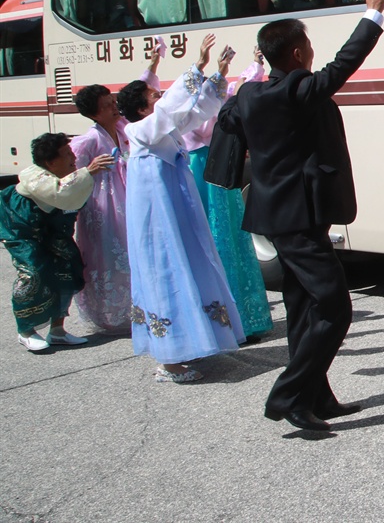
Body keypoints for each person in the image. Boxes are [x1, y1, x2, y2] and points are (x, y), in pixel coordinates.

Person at [218, 0, 384, 432]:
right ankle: (289, 394)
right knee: (335, 307)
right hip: (297, 218)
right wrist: (371, 14)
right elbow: (342, 65)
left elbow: (229, 117)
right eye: (308, 45)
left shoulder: (253, 93)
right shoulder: (296, 91)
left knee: (301, 309)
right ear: (297, 54)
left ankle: (316, 397)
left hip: (278, 214)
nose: (313, 52)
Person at [119, 35, 245, 383]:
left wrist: (216, 76)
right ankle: (168, 360)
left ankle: (187, 343)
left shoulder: (159, 128)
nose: (159, 99)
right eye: (152, 96)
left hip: (175, 212)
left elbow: (194, 112)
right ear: (143, 108)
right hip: (157, 220)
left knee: (189, 262)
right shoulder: (140, 130)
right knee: (164, 268)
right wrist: (197, 68)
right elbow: (170, 109)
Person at [69, 49, 162, 333]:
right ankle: (110, 313)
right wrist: (90, 170)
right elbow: (68, 174)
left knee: (132, 252)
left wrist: (153, 64)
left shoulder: (123, 127)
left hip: (128, 199)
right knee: (107, 256)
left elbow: (136, 90)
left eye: (113, 101)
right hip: (103, 208)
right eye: (108, 104)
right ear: (95, 112)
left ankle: (134, 307)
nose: (115, 106)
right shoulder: (86, 142)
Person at [184, 47, 273, 342]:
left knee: (234, 242)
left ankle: (243, 319)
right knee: (217, 244)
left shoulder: (213, 104)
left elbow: (237, 91)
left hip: (218, 173)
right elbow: (221, 103)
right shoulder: (186, 112)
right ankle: (224, 322)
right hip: (203, 174)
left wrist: (254, 65)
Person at [1, 134, 113, 351]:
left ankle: (58, 330)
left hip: (53, 231)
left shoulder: (67, 174)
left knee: (68, 268)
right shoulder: (34, 177)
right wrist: (88, 171)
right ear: (50, 162)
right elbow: (61, 191)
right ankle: (25, 330)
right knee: (32, 273)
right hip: (23, 230)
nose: (73, 157)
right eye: (67, 154)